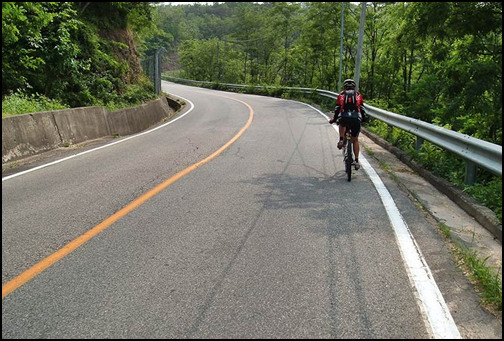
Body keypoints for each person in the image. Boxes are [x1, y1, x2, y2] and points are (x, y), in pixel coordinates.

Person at [329, 78, 367, 170]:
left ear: (344, 87)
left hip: (344, 118)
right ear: (354, 87)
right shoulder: (358, 95)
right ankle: (357, 161)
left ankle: (341, 139)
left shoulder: (341, 95)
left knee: (341, 123)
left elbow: (338, 108)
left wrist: (334, 119)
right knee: (355, 140)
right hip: (355, 119)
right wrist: (364, 119)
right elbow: (362, 109)